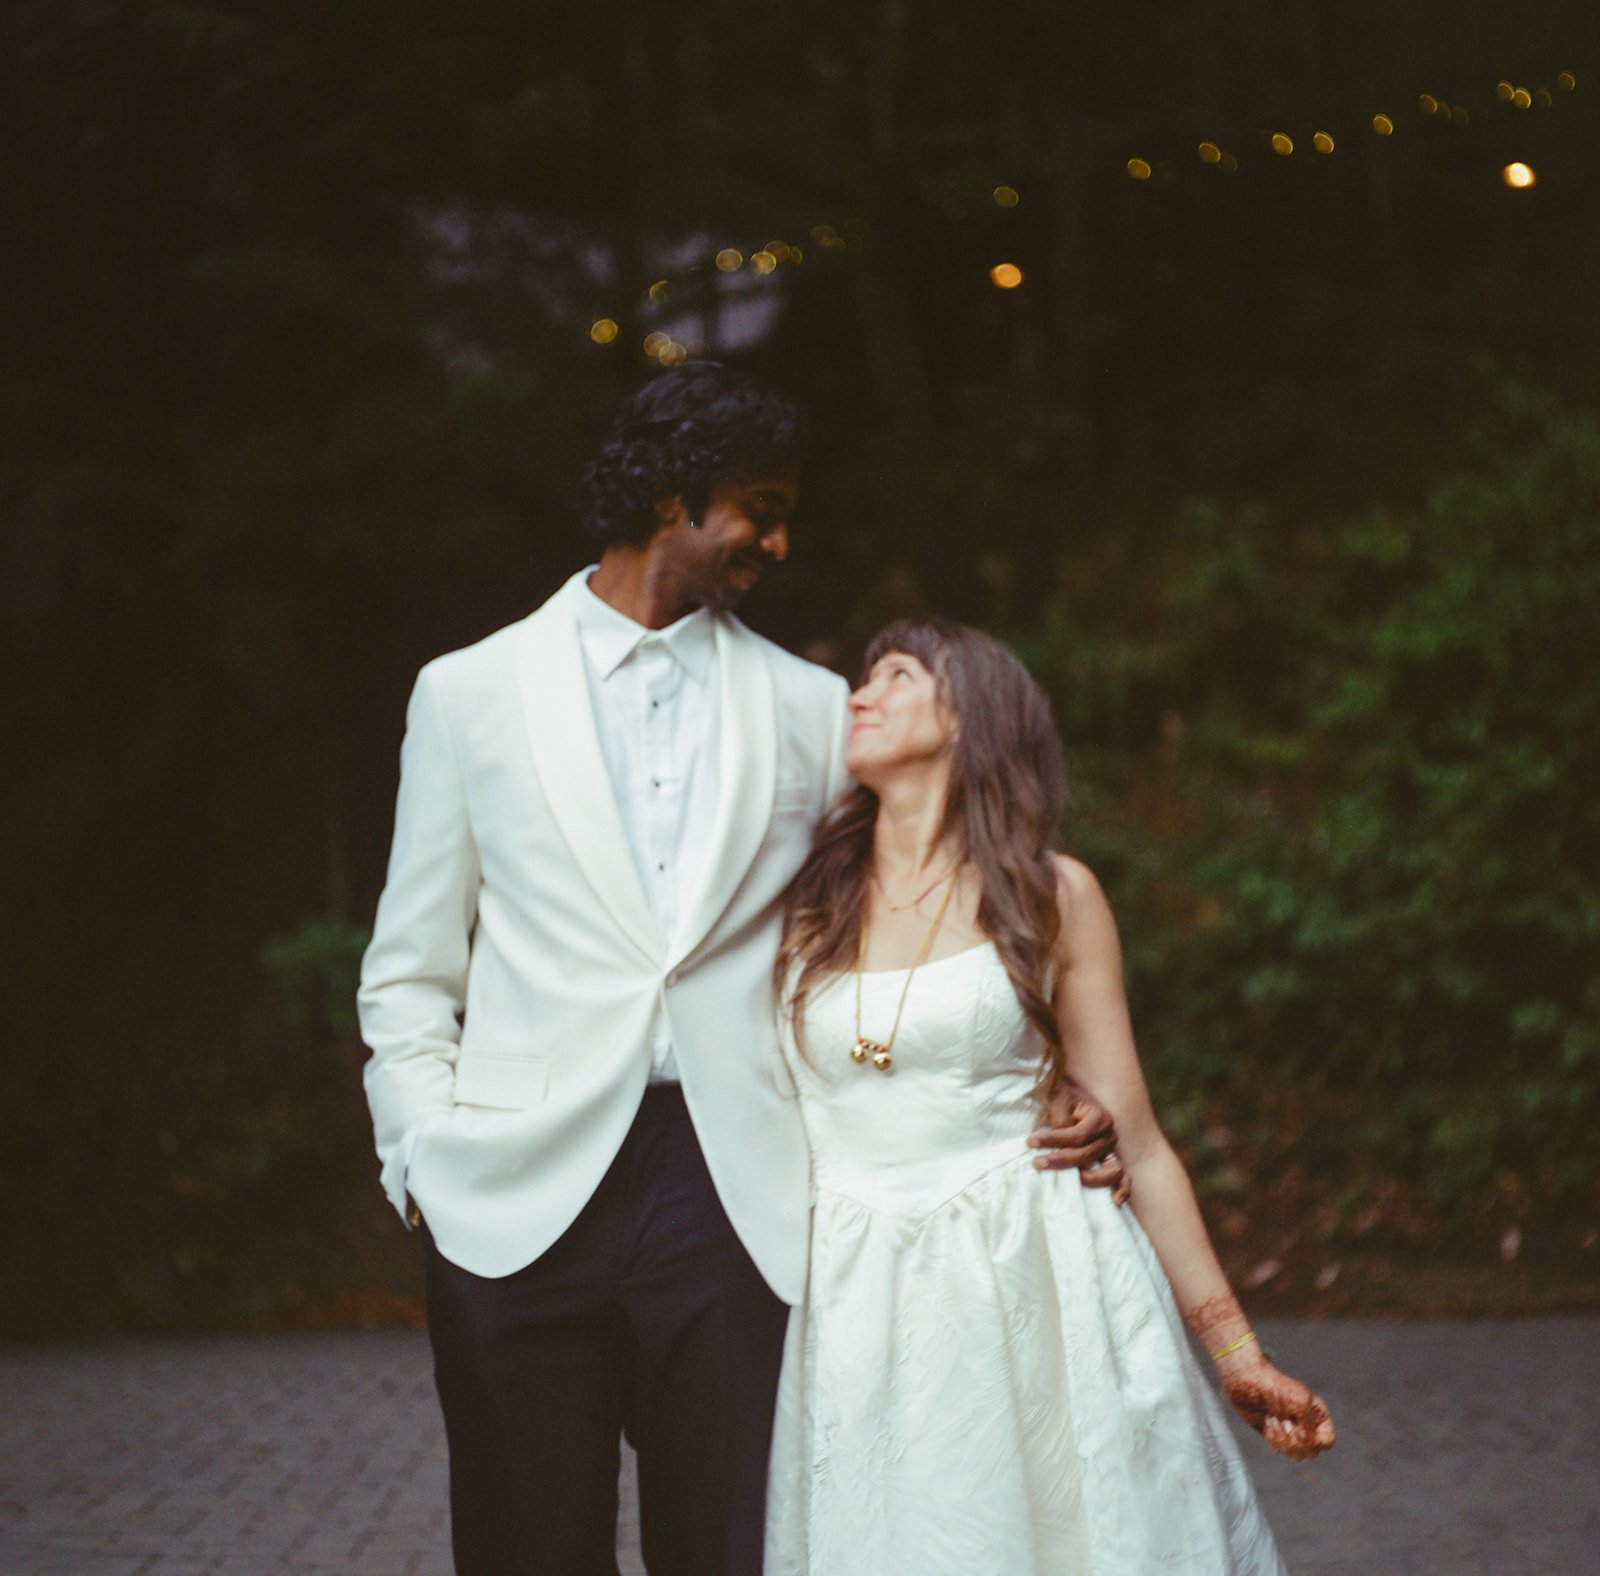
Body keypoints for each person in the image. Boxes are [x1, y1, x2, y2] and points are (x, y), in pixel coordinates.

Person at [357, 363, 1124, 1576]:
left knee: (732, 1553)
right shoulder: (466, 692)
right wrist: (423, 1158)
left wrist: (1051, 1073)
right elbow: (407, 968)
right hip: (508, 1196)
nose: (777, 537)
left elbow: (930, 900)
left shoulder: (816, 710)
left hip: (738, 1197)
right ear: (669, 492)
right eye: (758, 507)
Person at [764, 618, 1335, 1576]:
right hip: (857, 1290)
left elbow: (1141, 1144)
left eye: (895, 675)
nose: (858, 694)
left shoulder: (1049, 894)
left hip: (1034, 1279)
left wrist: (1237, 1354)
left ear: (968, 719)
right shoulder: (804, 900)